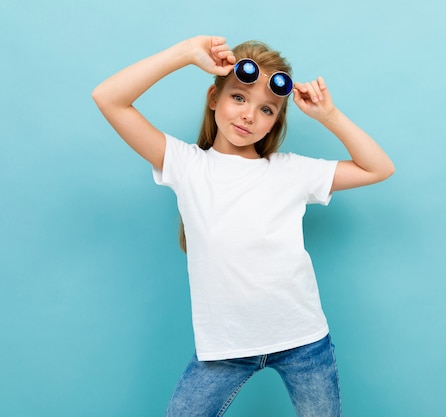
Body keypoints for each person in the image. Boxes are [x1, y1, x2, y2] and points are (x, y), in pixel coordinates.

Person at [92, 35, 394, 417]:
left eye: (267, 109)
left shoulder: (291, 171)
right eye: (238, 97)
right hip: (225, 349)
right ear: (213, 97)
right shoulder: (187, 166)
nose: (250, 115)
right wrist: (185, 54)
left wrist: (328, 115)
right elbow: (109, 98)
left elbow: (378, 167)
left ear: (275, 122)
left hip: (304, 341)